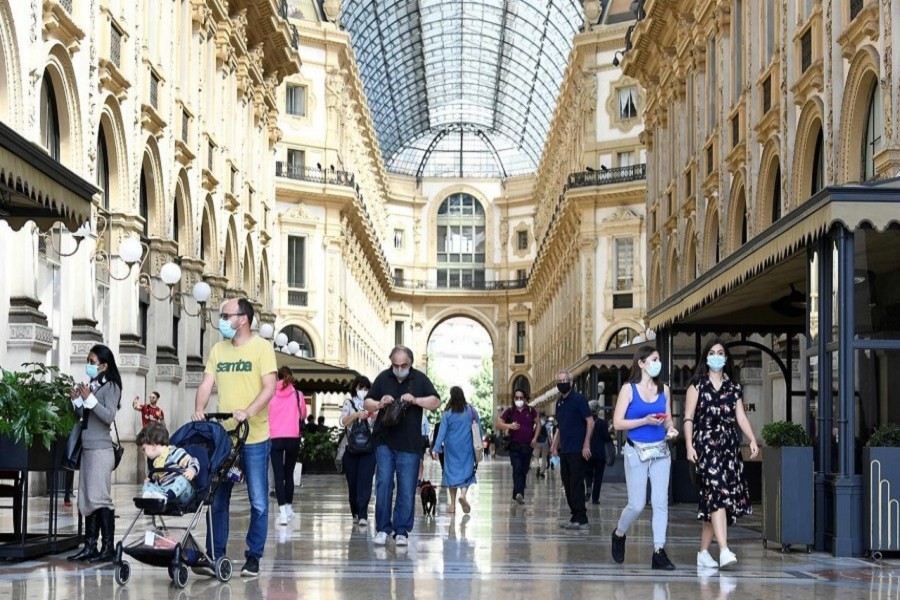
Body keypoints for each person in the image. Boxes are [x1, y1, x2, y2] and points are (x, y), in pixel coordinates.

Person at [192, 297, 277, 578]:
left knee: (258, 501)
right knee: (217, 498)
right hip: (224, 438)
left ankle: (253, 556)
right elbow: (206, 382)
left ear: (242, 319)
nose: (222, 320)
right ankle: (215, 555)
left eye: (226, 315)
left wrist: (248, 411)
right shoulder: (218, 349)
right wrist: (199, 409)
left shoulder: (262, 348)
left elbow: (269, 388)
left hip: (255, 436)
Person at [684, 338, 759, 570]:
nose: (717, 356)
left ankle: (703, 552)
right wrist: (689, 445)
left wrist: (752, 439)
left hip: (728, 449)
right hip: (706, 446)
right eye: (713, 352)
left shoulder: (733, 388)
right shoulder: (697, 385)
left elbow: (741, 417)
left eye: (720, 353)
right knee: (717, 495)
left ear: (726, 358)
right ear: (706, 357)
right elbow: (688, 417)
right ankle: (724, 550)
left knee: (716, 501)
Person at [364, 346, 440, 546]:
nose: (399, 369)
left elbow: (435, 401)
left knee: (406, 488)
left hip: (409, 443)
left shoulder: (419, 379)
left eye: (403, 365)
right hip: (384, 440)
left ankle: (401, 531)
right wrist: (380, 403)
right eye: (395, 365)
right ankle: (382, 528)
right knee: (384, 483)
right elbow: (367, 403)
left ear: (410, 363)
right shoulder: (383, 378)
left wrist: (415, 400)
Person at [611, 345, 679, 570]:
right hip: (635, 450)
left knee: (660, 503)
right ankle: (619, 533)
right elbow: (618, 423)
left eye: (658, 359)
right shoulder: (628, 390)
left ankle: (659, 552)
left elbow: (668, 418)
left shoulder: (664, 390)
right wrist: (644, 421)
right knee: (637, 504)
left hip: (660, 451)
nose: (657, 363)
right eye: (653, 359)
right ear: (641, 363)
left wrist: (670, 429)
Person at [66, 343, 122, 564]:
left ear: (104, 365)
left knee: (100, 498)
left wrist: (90, 399)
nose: (88, 365)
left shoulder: (112, 387)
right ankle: (90, 546)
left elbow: (108, 416)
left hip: (101, 449)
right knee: (87, 498)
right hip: (87, 448)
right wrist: (76, 400)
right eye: (88, 361)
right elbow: (85, 416)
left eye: (92, 362)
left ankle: (107, 548)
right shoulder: (94, 384)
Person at [549, 371, 593, 530]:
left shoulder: (579, 399)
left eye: (564, 380)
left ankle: (582, 518)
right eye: (559, 380)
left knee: (576, 483)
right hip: (565, 450)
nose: (562, 382)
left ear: (571, 383)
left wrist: (586, 444)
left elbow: (590, 421)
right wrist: (554, 445)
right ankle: (575, 516)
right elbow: (560, 427)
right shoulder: (559, 402)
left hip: (577, 449)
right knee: (567, 483)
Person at [432, 386, 482, 514]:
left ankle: (453, 505)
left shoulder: (447, 414)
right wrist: (480, 443)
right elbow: (478, 428)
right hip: (466, 447)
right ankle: (463, 495)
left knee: (451, 474)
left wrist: (436, 448)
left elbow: (441, 433)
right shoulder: (471, 411)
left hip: (451, 448)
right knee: (466, 471)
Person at [270, 366, 306, 526]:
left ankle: (283, 512)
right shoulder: (298, 395)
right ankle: (289, 508)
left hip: (275, 437)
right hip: (293, 437)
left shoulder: (270, 394)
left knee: (278, 474)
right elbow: (303, 414)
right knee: (288, 473)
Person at [340, 375, 376, 527]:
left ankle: (363, 515)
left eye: (366, 388)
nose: (363, 391)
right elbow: (342, 422)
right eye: (361, 388)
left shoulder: (373, 404)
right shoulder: (348, 403)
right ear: (355, 388)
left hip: (368, 449)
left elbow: (377, 425)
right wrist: (356, 415)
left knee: (365, 483)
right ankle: (355, 511)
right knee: (353, 483)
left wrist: (372, 415)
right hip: (351, 449)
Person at [136, 423, 199, 507]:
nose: (143, 452)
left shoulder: (175, 453)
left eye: (144, 449)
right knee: (148, 485)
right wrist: (152, 481)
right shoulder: (156, 462)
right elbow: (160, 480)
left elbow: (193, 461)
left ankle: (166, 497)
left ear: (154, 445)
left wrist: (192, 470)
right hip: (166, 490)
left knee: (182, 479)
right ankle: (151, 497)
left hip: (184, 493)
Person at [496, 388, 539, 504]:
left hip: (528, 446)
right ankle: (520, 493)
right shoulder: (510, 411)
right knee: (517, 469)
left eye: (521, 398)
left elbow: (538, 424)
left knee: (524, 470)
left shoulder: (531, 410)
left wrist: (535, 438)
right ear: (513, 398)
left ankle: (517, 494)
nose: (519, 400)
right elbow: (498, 422)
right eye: (516, 398)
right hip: (514, 446)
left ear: (525, 399)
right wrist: (509, 426)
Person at [585, 400, 612, 504]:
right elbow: (606, 437)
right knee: (598, 476)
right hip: (600, 454)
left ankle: (588, 487)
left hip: (587, 452)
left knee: (588, 473)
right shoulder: (602, 423)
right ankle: (595, 498)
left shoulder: (585, 422)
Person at [533, 412, 550, 479]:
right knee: (544, 457)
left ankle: (537, 467)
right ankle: (542, 472)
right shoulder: (547, 424)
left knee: (536, 456)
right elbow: (549, 435)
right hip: (545, 442)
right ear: (543, 416)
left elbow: (533, 433)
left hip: (537, 442)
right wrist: (550, 443)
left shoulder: (536, 424)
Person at [418, 411, 431, 487]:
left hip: (421, 439)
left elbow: (427, 430)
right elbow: (427, 430)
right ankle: (417, 478)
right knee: (419, 460)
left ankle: (419, 478)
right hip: (415, 439)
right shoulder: (423, 417)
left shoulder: (423, 417)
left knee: (420, 459)